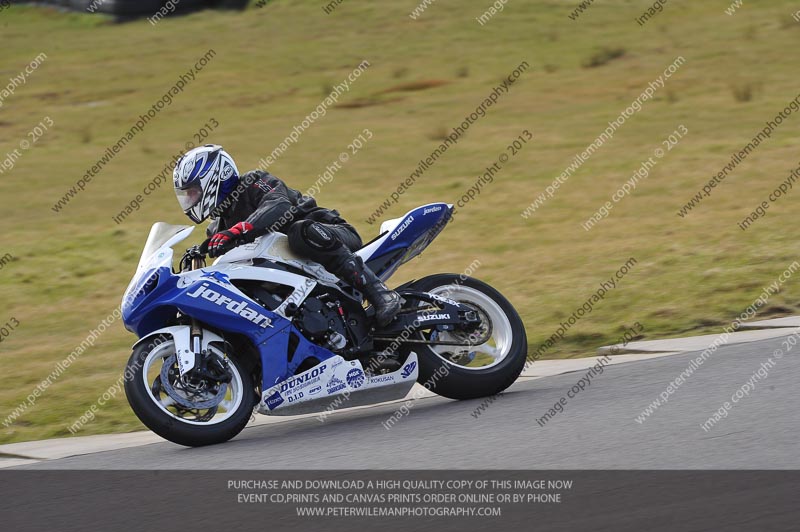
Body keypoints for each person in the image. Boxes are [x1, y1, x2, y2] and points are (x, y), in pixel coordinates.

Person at [172, 144, 402, 326]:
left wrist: (239, 231)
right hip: (298, 271)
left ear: (214, 178)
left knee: (300, 231)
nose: (191, 199)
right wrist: (200, 253)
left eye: (193, 191)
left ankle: (380, 294)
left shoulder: (253, 183)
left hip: (332, 235)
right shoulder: (217, 228)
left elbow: (278, 204)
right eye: (187, 195)